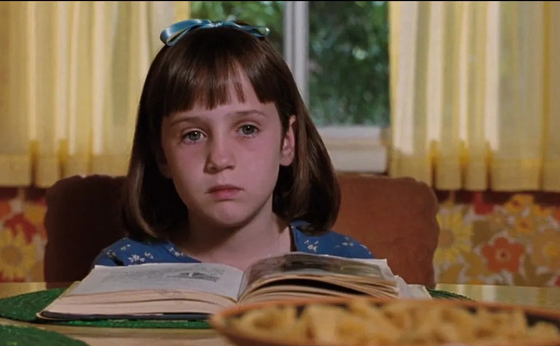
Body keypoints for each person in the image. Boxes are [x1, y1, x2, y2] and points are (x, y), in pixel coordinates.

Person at [94, 18, 375, 271]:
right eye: (193, 135)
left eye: (248, 129)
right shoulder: (120, 269)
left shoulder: (350, 267)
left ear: (287, 142)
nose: (220, 158)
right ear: (162, 155)